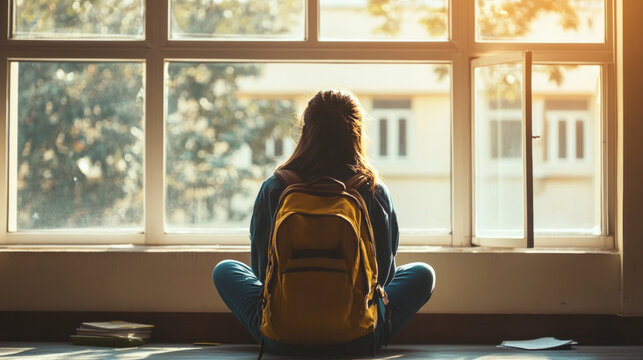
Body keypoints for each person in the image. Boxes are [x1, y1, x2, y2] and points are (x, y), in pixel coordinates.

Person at [213, 89, 435, 355]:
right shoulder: (373, 191)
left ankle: (284, 334)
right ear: (358, 133)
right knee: (423, 274)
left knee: (224, 270)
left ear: (306, 129)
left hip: (282, 336)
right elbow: (383, 277)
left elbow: (263, 273)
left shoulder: (275, 188)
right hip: (358, 336)